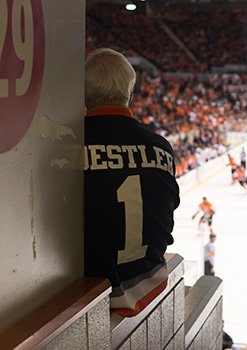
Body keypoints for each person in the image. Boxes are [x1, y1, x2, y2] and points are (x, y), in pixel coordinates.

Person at [84, 48, 180, 317]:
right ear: (130, 92)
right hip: (149, 281)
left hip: (87, 290)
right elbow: (166, 218)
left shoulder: (66, 146)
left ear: (84, 95)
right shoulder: (161, 147)